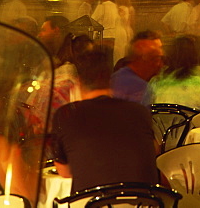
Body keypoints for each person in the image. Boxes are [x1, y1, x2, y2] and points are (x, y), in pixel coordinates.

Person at [51, 47, 159, 193]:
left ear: (79, 82)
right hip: (143, 201)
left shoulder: (65, 115)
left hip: (91, 202)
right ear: (109, 79)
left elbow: (65, 172)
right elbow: (153, 152)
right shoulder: (139, 112)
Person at [143, 36, 200, 111]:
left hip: (160, 126)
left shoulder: (157, 81)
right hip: (192, 126)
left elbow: (144, 108)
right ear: (197, 55)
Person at [111, 31, 164, 102]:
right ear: (143, 58)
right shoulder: (141, 88)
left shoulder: (116, 77)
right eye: (156, 58)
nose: (160, 64)